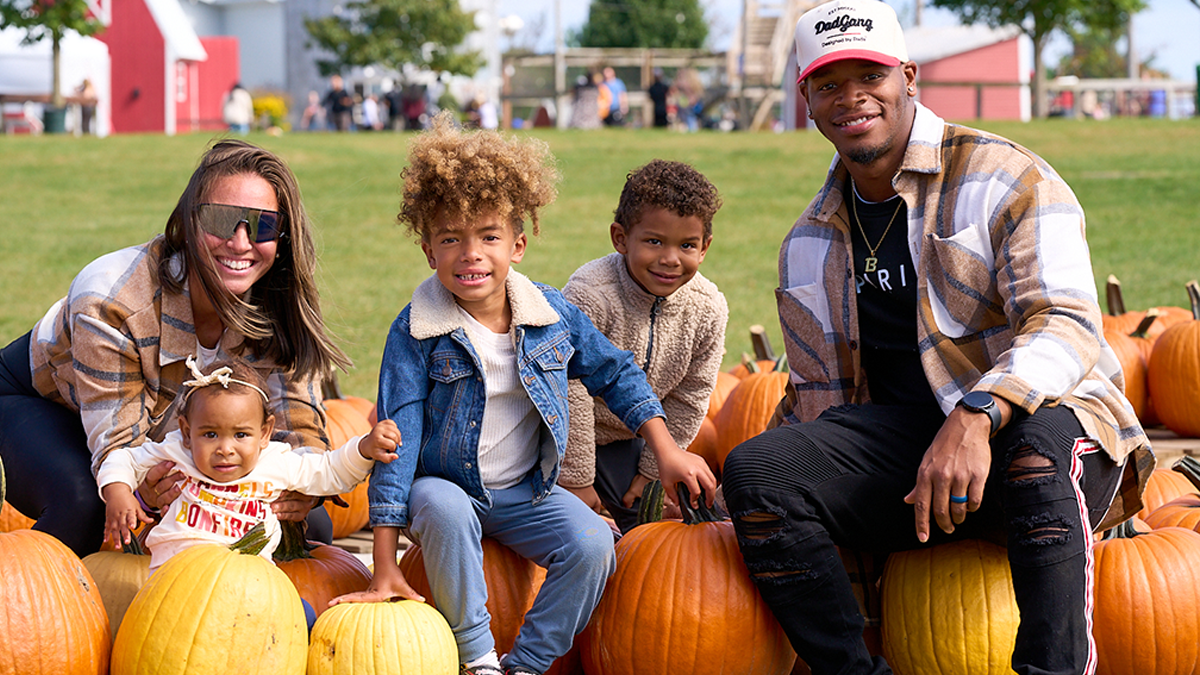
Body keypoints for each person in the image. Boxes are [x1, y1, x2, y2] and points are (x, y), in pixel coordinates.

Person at [719, 3, 1153, 675]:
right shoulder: (806, 245)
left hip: (1039, 430)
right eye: (830, 82)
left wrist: (977, 413)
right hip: (911, 466)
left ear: (909, 77)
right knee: (758, 471)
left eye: (871, 75)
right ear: (806, 98)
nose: (852, 96)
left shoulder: (1004, 176)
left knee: (1038, 454)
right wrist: (741, 503)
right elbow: (817, 404)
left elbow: (1065, 324)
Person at [330, 112, 717, 675]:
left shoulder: (550, 314)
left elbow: (618, 374)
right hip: (445, 488)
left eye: (489, 237)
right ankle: (479, 658)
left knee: (592, 544)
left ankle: (526, 665)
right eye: (450, 239)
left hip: (522, 491)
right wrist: (384, 564)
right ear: (428, 249)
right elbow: (396, 442)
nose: (471, 254)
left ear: (518, 244)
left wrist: (666, 449)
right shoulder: (416, 330)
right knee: (441, 505)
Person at [0, 139, 353, 557]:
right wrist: (151, 489)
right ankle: (39, 607)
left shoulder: (280, 303)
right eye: (221, 221)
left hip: (166, 429)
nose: (240, 243)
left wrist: (305, 487)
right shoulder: (114, 300)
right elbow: (121, 449)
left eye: (261, 226)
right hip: (42, 401)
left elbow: (298, 423)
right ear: (187, 224)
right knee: (85, 501)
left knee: (308, 525)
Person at [99, 356, 400, 572]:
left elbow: (329, 472)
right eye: (210, 434)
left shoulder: (277, 463)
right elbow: (122, 457)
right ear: (187, 432)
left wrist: (363, 448)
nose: (225, 449)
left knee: (304, 616)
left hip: (248, 584)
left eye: (241, 434)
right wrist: (118, 491)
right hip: (175, 580)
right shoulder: (177, 452)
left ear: (265, 433)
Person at [561, 159, 727, 534]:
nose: (670, 259)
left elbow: (691, 394)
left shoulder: (708, 308)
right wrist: (579, 479)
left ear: (705, 248)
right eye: (654, 241)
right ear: (620, 238)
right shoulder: (591, 294)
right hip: (566, 439)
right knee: (579, 524)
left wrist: (652, 472)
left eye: (687, 245)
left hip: (636, 441)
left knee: (658, 525)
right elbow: (571, 389)